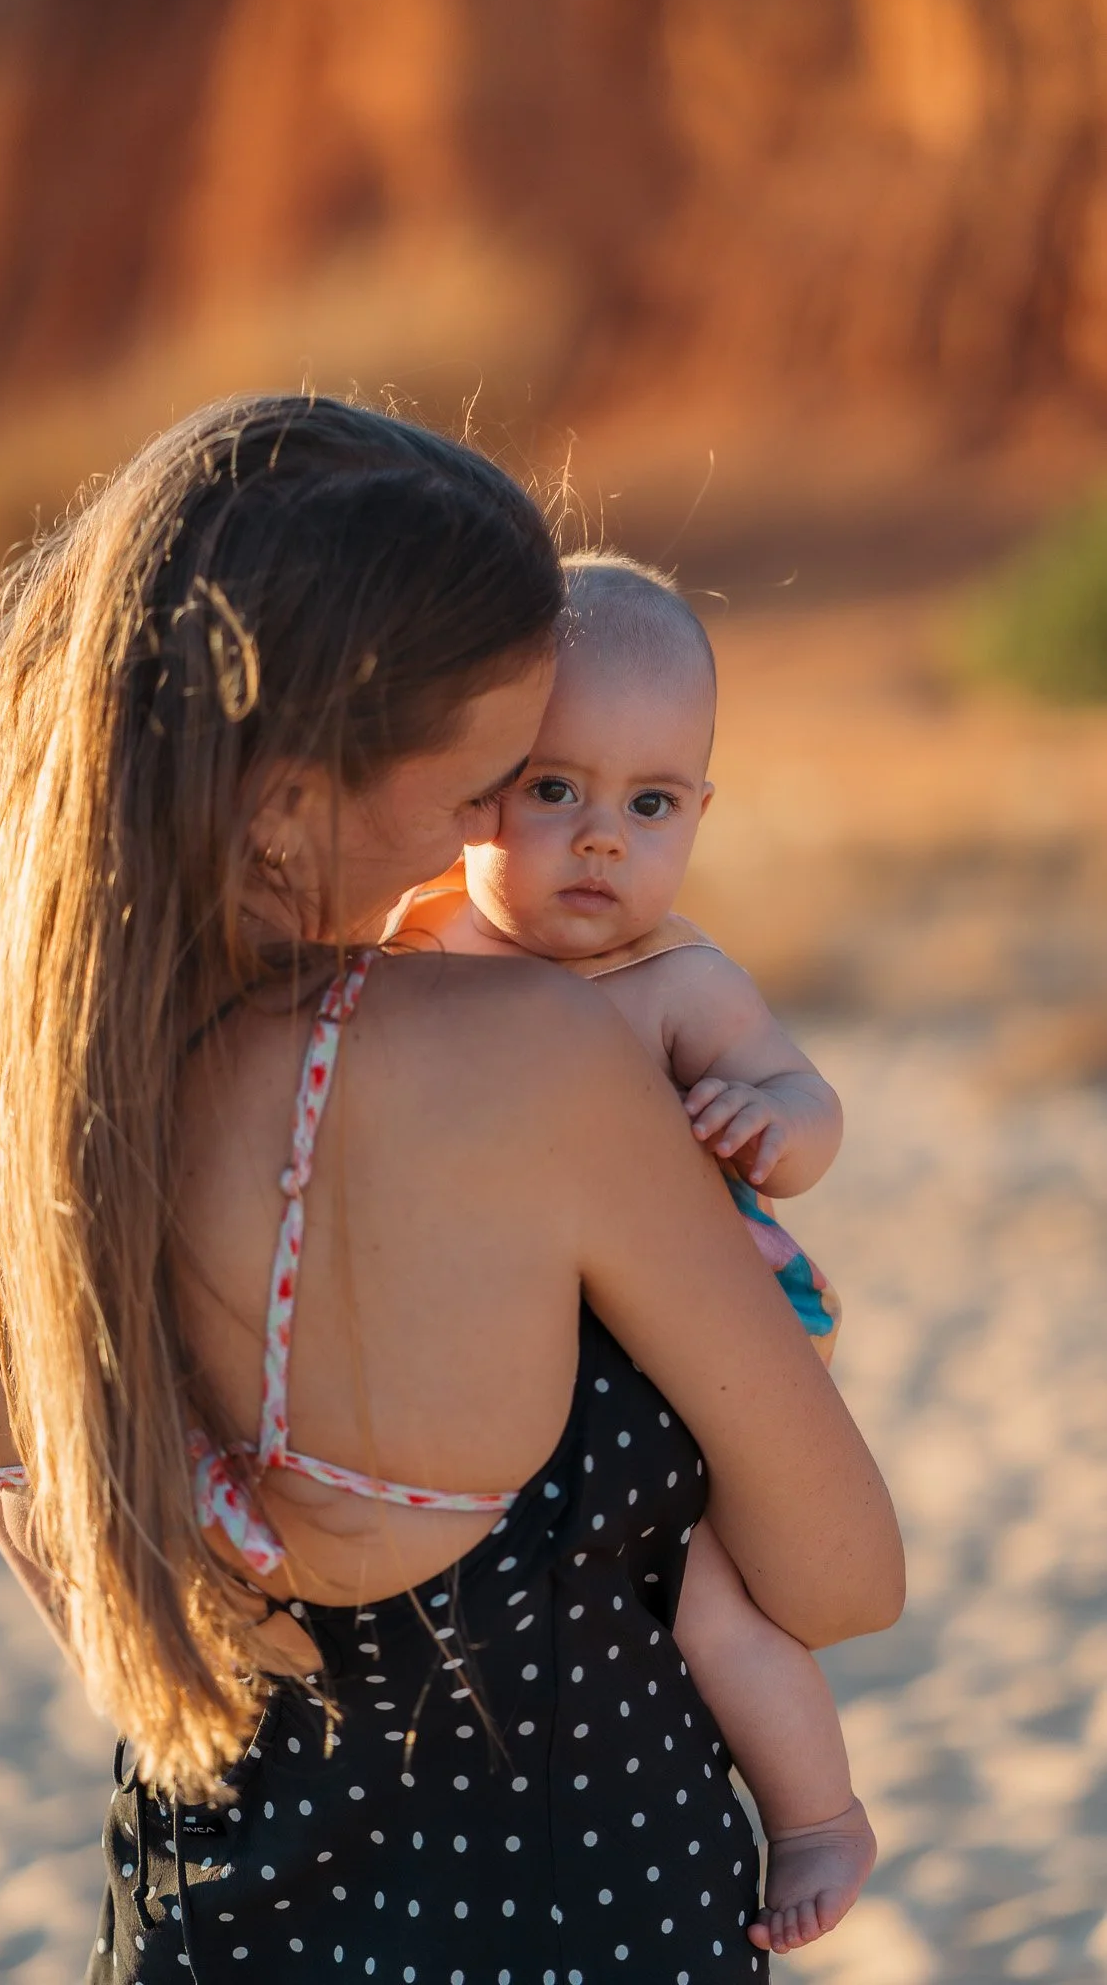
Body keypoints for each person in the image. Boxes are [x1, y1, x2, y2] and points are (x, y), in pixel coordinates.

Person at [0, 395, 903, 1983]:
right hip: (583, 1930)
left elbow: (135, 1649)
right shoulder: (524, 1058)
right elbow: (844, 1574)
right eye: (491, 781)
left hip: (200, 1934)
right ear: (295, 795)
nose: (506, 827)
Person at [394, 549, 878, 1953]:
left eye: (651, 804)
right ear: (469, 789)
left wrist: (766, 1122)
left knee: (716, 1610)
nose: (603, 839)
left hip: (704, 1335)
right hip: (525, 1337)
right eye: (555, 791)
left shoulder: (672, 981)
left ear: (701, 815)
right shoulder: (413, 945)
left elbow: (812, 1103)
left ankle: (819, 1815)